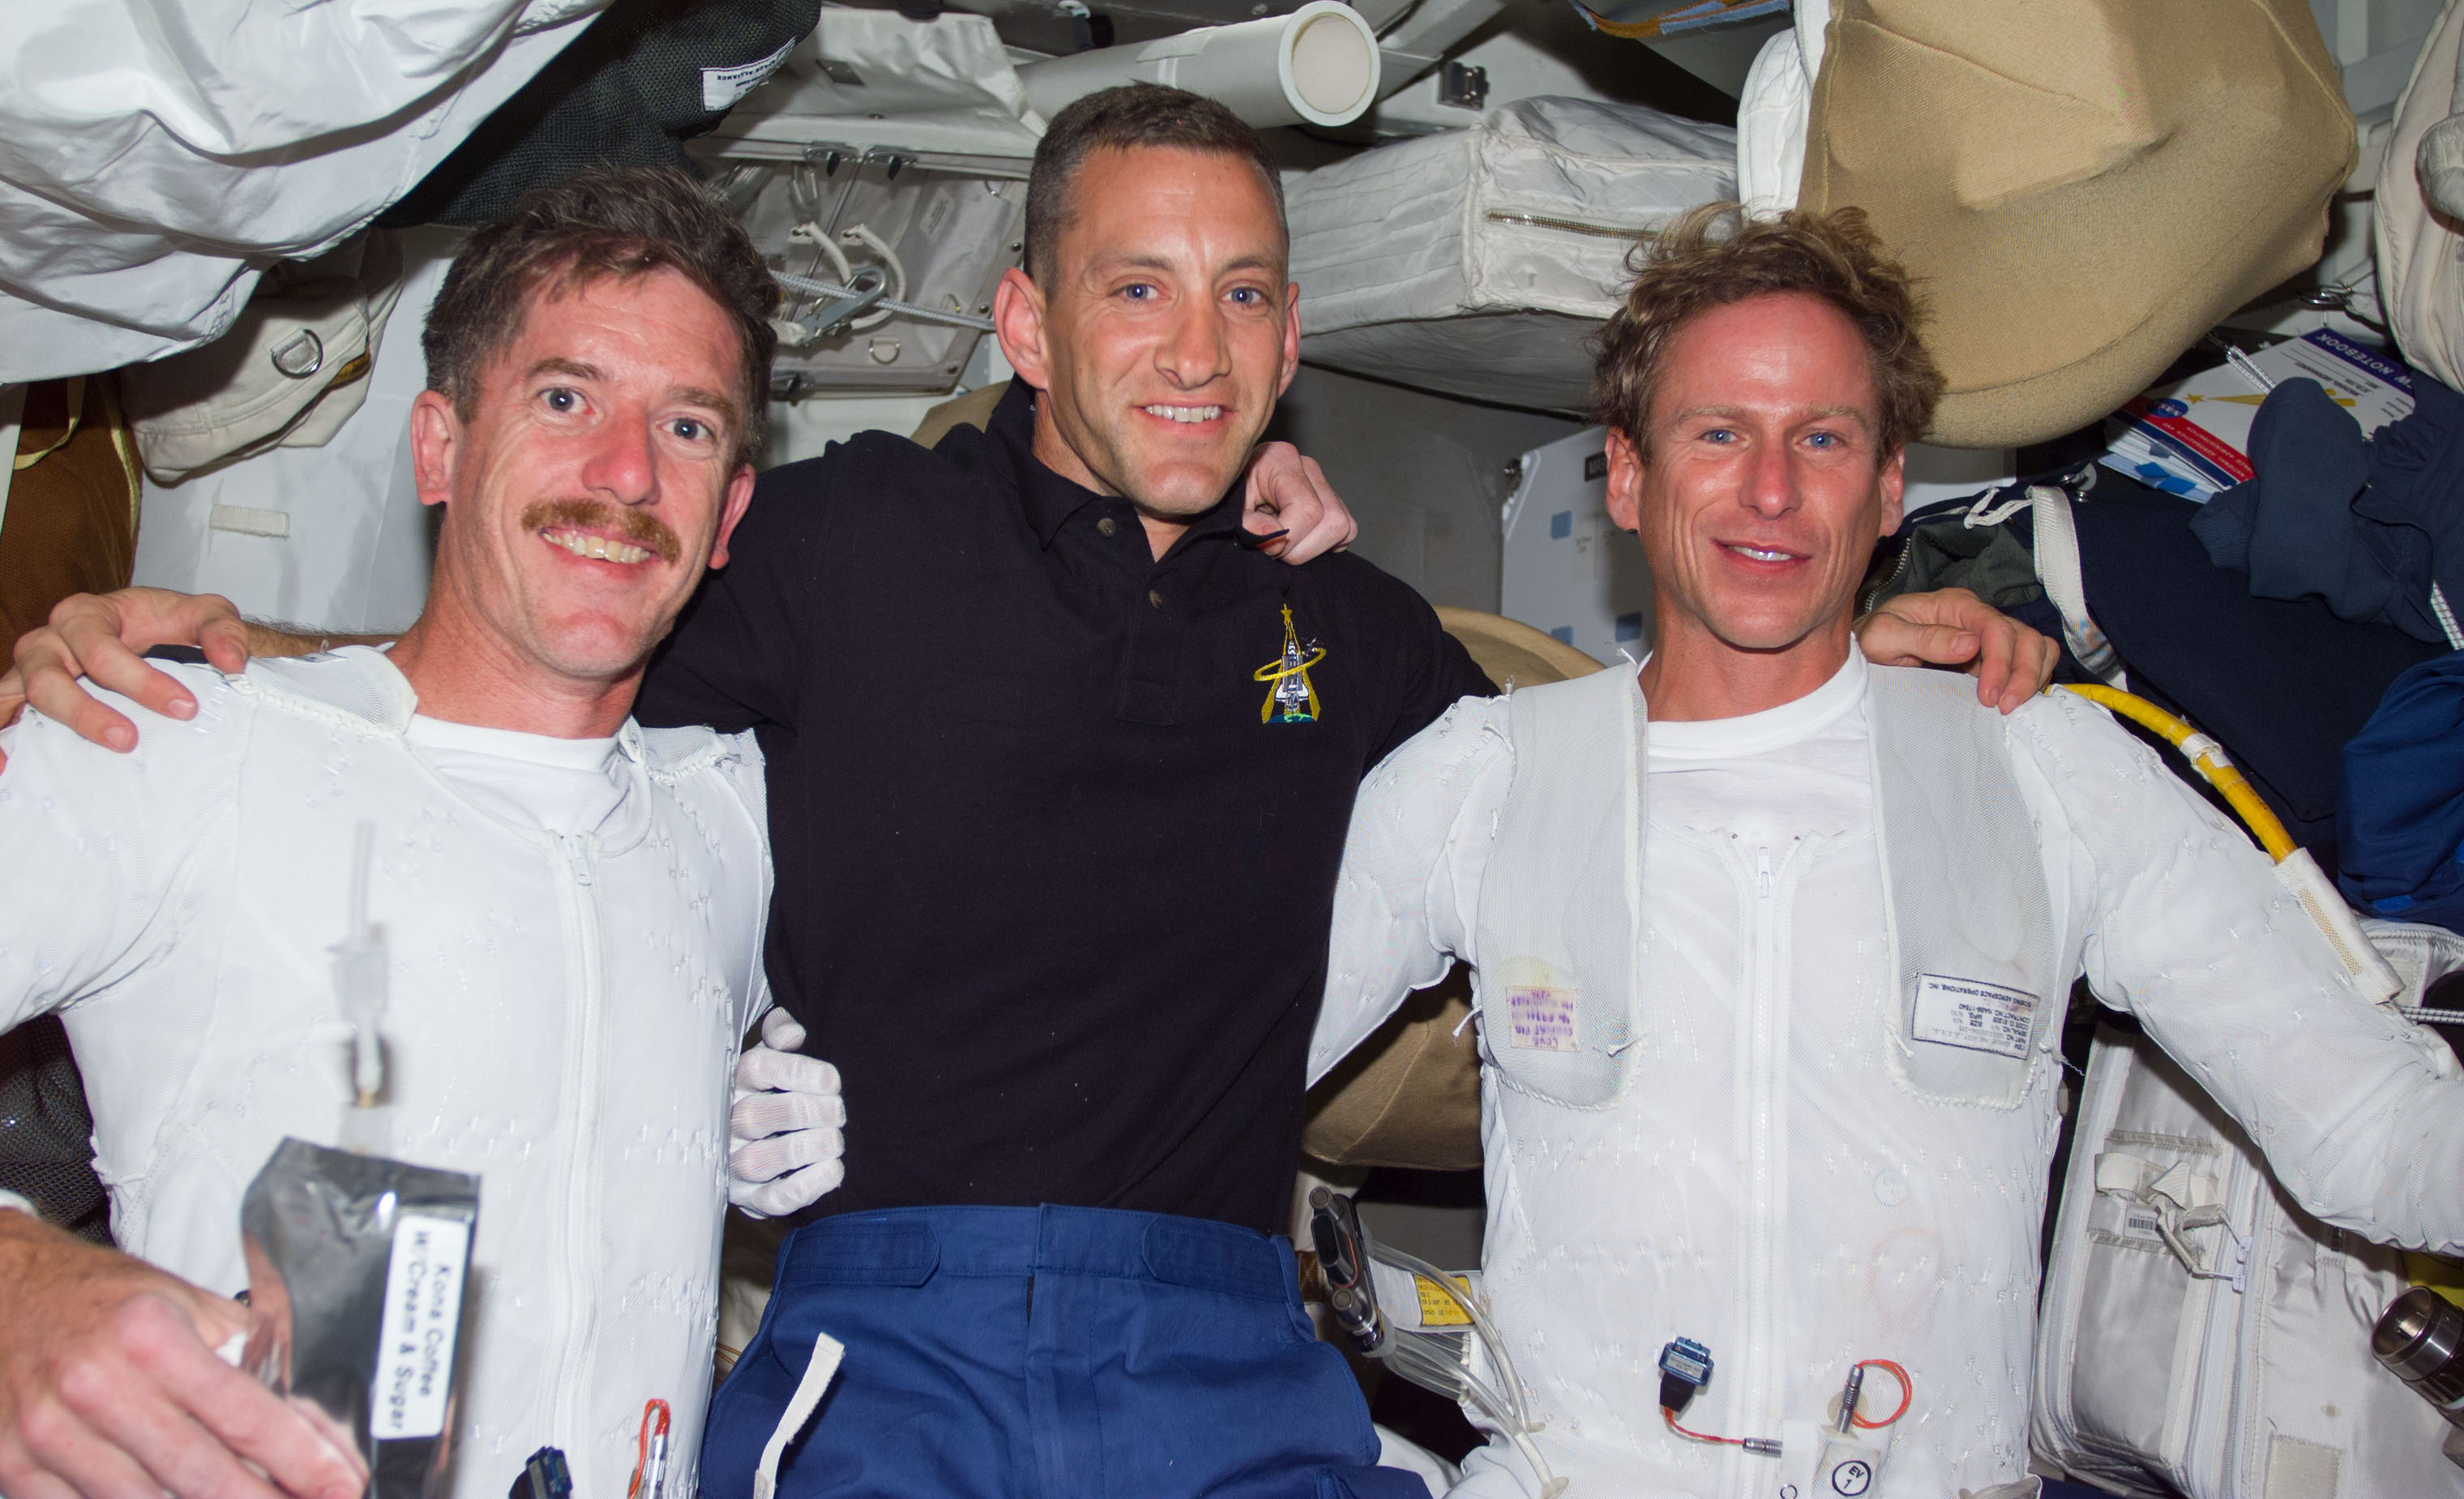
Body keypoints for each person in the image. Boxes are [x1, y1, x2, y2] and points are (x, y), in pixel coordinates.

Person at [4, 93, 2052, 1498]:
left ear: (1291, 338)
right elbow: (520, 668)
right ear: (1023, 322)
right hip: (889, 1348)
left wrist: (1827, 650)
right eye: (1134, 286)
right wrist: (227, 656)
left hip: (1225, 1336)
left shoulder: (1345, 629)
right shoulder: (833, 543)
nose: (1192, 346)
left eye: (1240, 292)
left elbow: (1620, 750)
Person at [1311, 204, 2464, 1498]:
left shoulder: (2042, 769)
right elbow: (1193, 1084)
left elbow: (2372, 1130)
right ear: (1627, 476)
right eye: (1718, 433)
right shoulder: (1486, 777)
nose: (1772, 489)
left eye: (1823, 437)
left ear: (1888, 484)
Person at [0, 169, 850, 1499]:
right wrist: (17, 1284)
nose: (627, 474)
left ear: (729, 514)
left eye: (685, 426)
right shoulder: (169, 745)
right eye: (565, 399)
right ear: (440, 448)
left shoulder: (738, 817)